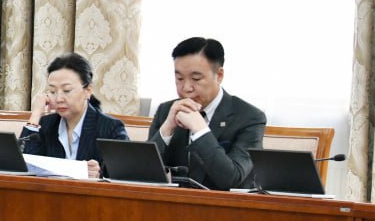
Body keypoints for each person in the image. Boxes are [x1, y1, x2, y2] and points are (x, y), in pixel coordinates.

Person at [147, 36, 265, 190]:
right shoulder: (166, 111)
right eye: (179, 78)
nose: (186, 88)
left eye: (196, 78)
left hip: (223, 204)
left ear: (219, 76)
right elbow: (141, 174)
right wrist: (167, 128)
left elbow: (232, 179)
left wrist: (200, 131)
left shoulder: (249, 117)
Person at [21, 52, 127, 178]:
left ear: (88, 91)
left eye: (67, 90)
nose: (59, 98)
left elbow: (123, 175)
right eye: (53, 91)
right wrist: (36, 114)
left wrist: (99, 174)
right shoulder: (45, 124)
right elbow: (22, 166)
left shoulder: (111, 128)